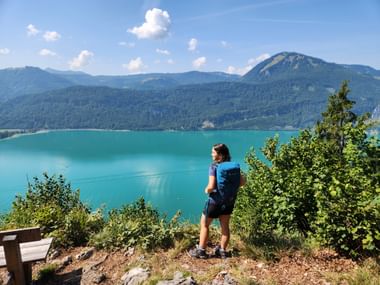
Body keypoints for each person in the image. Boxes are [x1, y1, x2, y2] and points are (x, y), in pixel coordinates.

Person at [189, 143, 245, 259]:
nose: (211, 154)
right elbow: (243, 182)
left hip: (215, 202)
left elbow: (210, 186)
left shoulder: (214, 167)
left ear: (220, 155)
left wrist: (206, 190)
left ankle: (201, 251)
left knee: (205, 224)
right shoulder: (233, 166)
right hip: (229, 201)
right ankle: (223, 251)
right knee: (225, 225)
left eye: (213, 152)